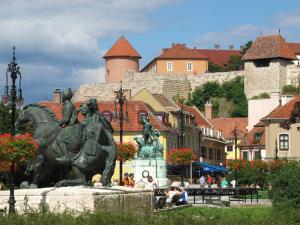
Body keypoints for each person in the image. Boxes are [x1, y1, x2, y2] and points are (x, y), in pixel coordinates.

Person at [56, 88, 80, 163]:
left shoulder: (68, 105)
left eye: (63, 95)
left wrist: (58, 124)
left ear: (65, 96)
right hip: (70, 125)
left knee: (60, 139)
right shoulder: (67, 104)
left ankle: (66, 156)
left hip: (72, 126)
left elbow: (66, 119)